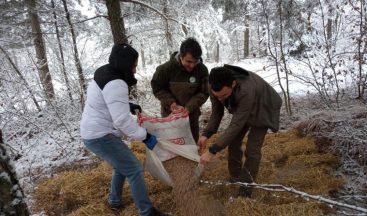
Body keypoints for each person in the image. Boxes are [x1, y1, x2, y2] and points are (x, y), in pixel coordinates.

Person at [80, 43, 166, 216]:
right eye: (133, 65)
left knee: (122, 165)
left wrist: (127, 105)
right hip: (100, 135)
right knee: (134, 169)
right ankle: (146, 211)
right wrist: (144, 136)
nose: (135, 70)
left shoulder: (104, 71)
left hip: (93, 131)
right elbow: (121, 120)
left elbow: (107, 101)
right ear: (125, 64)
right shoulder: (116, 83)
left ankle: (114, 201)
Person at [198, 64, 282, 197]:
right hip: (242, 108)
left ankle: (246, 189)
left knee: (252, 150)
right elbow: (217, 112)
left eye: (224, 95)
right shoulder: (214, 85)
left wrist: (213, 150)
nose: (221, 99)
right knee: (233, 143)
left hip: (263, 107)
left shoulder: (246, 89)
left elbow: (237, 124)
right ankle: (235, 177)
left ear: (233, 83)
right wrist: (206, 134)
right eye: (217, 96)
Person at [151, 37, 209, 142]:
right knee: (173, 145)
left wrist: (189, 107)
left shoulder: (202, 70)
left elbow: (204, 92)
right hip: (170, 117)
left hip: (191, 117)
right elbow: (157, 89)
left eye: (195, 62)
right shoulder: (165, 69)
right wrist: (171, 103)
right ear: (181, 56)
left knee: (191, 145)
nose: (192, 66)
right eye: (189, 61)